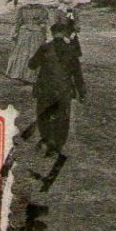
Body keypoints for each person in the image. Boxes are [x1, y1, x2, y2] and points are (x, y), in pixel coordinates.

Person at [29, 17, 87, 157]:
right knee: (63, 117)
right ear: (65, 33)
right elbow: (77, 74)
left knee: (44, 114)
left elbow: (32, 65)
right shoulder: (71, 50)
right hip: (64, 89)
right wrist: (81, 92)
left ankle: (48, 140)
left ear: (52, 33)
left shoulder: (45, 48)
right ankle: (58, 144)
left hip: (45, 88)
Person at [6, 0, 53, 84]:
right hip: (31, 33)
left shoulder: (27, 9)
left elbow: (18, 22)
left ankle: (25, 75)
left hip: (31, 33)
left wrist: (15, 32)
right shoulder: (39, 9)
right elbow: (43, 22)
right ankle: (25, 75)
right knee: (28, 53)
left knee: (28, 53)